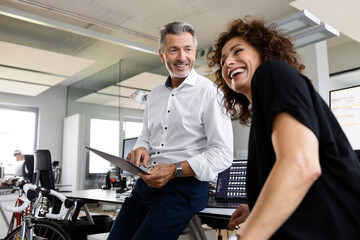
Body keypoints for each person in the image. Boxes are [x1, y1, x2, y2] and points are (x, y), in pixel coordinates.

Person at [207, 17, 360, 239]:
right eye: (222, 61)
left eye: (237, 51)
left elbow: (300, 166)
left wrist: (247, 236)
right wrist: (257, 208)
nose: (228, 63)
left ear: (263, 51)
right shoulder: (262, 113)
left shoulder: (272, 71)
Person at [107, 22, 233, 240]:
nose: (182, 57)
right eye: (173, 50)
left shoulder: (210, 93)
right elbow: (145, 136)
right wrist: (140, 149)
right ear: (162, 55)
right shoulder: (155, 95)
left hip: (184, 189)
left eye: (188, 49)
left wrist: (174, 169)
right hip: (144, 186)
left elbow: (222, 154)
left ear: (194, 51)